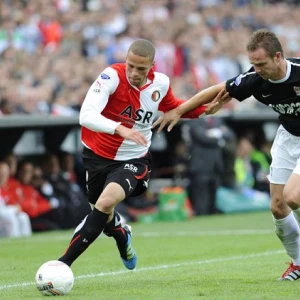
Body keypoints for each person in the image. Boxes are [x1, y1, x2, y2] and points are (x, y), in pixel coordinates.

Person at [57, 39, 224, 269]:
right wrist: (120, 128)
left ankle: (62, 265)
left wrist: (206, 109)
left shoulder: (161, 84)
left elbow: (175, 108)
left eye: (141, 69)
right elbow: (86, 115)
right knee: (103, 216)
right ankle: (122, 235)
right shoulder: (111, 77)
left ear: (152, 66)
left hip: (133, 160)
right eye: (130, 66)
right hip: (96, 157)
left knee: (104, 203)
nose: (134, 73)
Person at [152, 28, 300, 281]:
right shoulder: (255, 78)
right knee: (278, 206)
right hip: (288, 137)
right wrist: (179, 110)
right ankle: (298, 263)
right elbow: (214, 90)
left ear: (278, 57)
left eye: (261, 63)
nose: (257, 69)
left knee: (293, 196)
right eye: (253, 64)